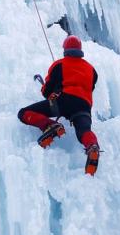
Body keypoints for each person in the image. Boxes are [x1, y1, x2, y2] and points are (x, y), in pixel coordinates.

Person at [17, 35, 101, 175]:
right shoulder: (92, 70)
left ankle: (50, 125)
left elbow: (47, 90)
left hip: (64, 101)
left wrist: (50, 91)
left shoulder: (59, 64)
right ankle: (92, 147)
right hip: (84, 106)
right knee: (84, 131)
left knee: (24, 113)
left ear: (65, 50)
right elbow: (89, 88)